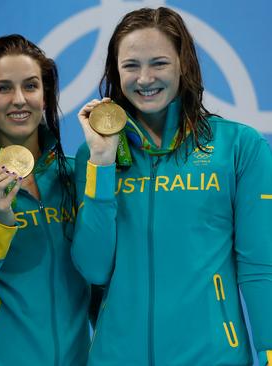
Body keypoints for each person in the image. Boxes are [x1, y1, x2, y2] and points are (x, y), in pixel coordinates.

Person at [73, 6, 272, 365]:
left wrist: (269, 349)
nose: (145, 78)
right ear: (116, 72)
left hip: (212, 356)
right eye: (131, 65)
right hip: (117, 357)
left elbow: (260, 264)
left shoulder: (238, 147)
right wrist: (101, 164)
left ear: (184, 64)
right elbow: (94, 268)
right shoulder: (91, 156)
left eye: (159, 63)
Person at [0, 34, 90, 365]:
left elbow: (97, 284)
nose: (19, 99)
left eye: (30, 86)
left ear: (46, 95)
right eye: (3, 88)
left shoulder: (75, 177)